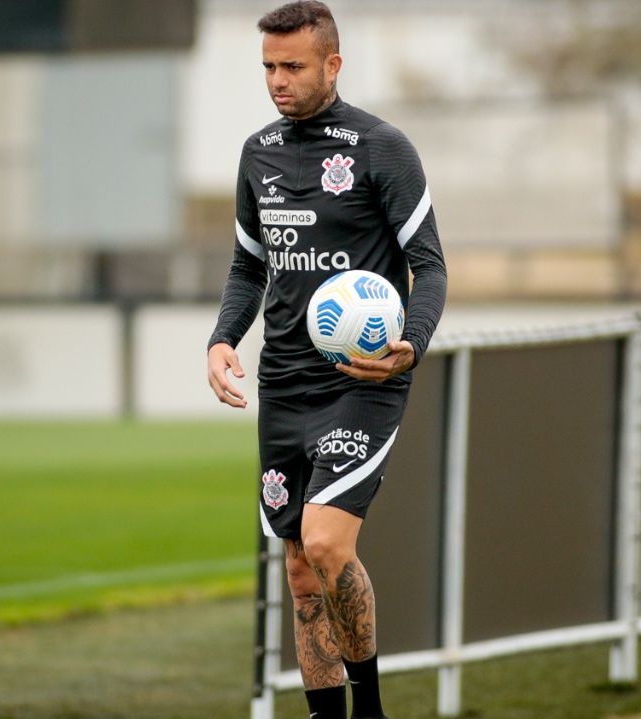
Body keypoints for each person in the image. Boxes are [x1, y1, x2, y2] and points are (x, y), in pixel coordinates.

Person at [206, 2, 447, 718]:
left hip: (360, 382)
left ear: (332, 65)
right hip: (285, 383)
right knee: (301, 573)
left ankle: (369, 707)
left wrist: (412, 344)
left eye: (292, 66)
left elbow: (428, 267)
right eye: (269, 68)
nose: (277, 81)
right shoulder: (258, 152)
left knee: (325, 539)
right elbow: (250, 268)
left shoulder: (382, 148)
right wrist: (222, 339)